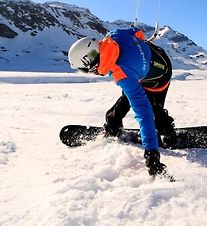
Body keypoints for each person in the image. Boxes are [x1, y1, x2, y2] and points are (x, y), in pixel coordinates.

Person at [68, 26, 176, 179]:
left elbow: (144, 114)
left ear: (90, 62)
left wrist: (152, 154)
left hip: (159, 76)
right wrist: (137, 47)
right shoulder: (115, 34)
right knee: (128, 96)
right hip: (151, 58)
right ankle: (113, 124)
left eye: (84, 70)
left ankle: (167, 131)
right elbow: (136, 31)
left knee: (152, 110)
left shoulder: (123, 74)